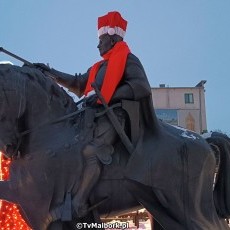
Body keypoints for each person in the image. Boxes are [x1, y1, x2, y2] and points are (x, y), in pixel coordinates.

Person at [35, 11, 154, 218]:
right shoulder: (99, 66)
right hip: (93, 116)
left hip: (116, 116)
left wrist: (108, 96)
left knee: (92, 151)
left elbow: (141, 86)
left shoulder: (128, 59)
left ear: (112, 38)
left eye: (101, 40)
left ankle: (80, 202)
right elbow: (78, 82)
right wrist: (49, 72)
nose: (98, 45)